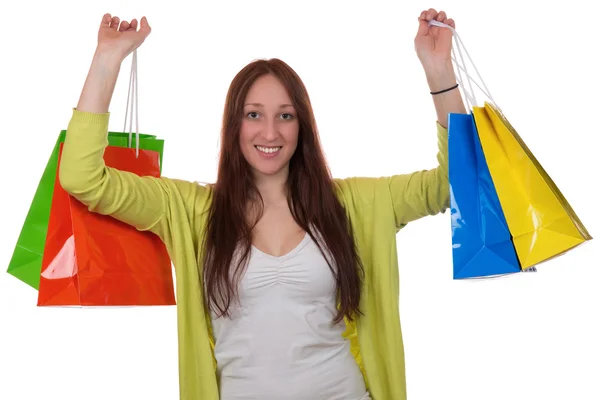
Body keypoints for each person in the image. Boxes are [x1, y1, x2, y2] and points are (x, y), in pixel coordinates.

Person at [59, 7, 466, 400]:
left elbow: (455, 186)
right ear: (234, 123)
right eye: (254, 114)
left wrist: (439, 73)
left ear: (302, 125)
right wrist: (107, 59)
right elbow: (82, 178)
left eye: (285, 116)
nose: (270, 131)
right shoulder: (190, 209)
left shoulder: (355, 204)